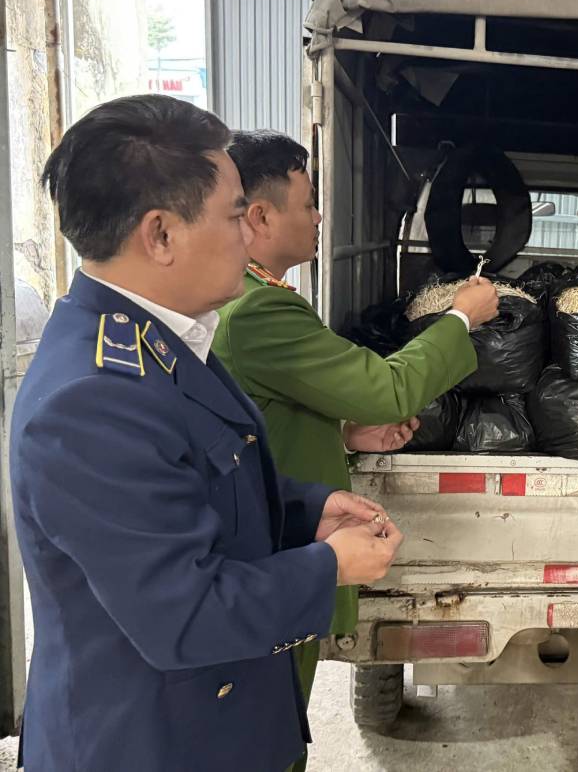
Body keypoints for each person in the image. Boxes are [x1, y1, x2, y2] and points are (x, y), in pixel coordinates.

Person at [10, 95, 404, 772]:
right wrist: (330, 567)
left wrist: (305, 512)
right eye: (233, 216)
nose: (249, 236)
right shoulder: (93, 399)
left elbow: (197, 484)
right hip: (151, 746)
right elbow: (185, 615)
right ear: (160, 235)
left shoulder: (164, 340)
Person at [212, 129, 498, 764]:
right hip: (279, 554)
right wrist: (460, 318)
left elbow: (260, 418)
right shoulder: (257, 311)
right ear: (260, 216)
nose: (320, 218)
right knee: (269, 731)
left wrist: (343, 434)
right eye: (308, 203)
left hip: (277, 538)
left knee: (277, 719)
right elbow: (388, 389)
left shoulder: (257, 299)